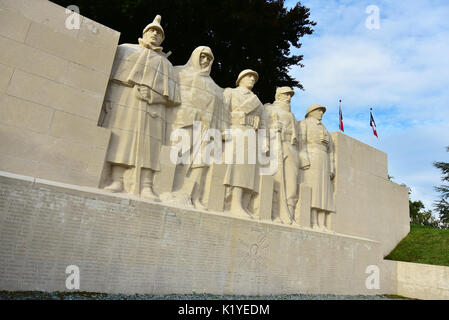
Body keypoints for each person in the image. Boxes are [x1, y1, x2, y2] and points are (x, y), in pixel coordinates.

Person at [100, 15, 180, 200]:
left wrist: (153, 96)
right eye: (151, 31)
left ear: (162, 39)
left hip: (153, 110)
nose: (154, 34)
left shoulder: (165, 64)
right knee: (122, 140)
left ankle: (146, 185)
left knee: (150, 147)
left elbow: (173, 97)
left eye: (158, 33)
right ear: (144, 33)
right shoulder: (126, 50)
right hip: (126, 102)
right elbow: (113, 79)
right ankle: (117, 179)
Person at [170, 46, 226, 209]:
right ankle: (172, 190)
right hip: (184, 123)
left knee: (201, 163)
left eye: (209, 58)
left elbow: (220, 112)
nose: (206, 60)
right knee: (178, 155)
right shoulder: (179, 73)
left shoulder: (215, 87)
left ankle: (194, 196)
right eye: (202, 57)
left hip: (207, 129)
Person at [223, 69, 266, 218]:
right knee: (238, 168)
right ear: (240, 78)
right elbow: (223, 112)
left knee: (248, 172)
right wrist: (223, 130)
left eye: (254, 78)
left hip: (251, 135)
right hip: (236, 131)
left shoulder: (258, 103)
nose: (252, 79)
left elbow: (263, 124)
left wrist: (264, 142)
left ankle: (243, 203)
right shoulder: (231, 93)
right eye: (249, 76)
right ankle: (234, 203)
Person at [265, 87, 300, 224]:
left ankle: (290, 216)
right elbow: (262, 126)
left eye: (290, 95)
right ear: (278, 96)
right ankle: (275, 213)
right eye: (286, 94)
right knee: (277, 182)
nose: (289, 97)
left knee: (292, 185)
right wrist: (273, 129)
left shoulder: (292, 116)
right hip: (276, 145)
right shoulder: (270, 109)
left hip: (291, 149)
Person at [298, 104, 335, 230]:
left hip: (324, 160)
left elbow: (331, 151)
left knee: (324, 192)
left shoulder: (325, 129)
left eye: (322, 111)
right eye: (319, 111)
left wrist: (332, 167)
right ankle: (312, 221)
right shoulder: (304, 124)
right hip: (312, 157)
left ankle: (322, 222)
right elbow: (301, 142)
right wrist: (304, 159)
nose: (321, 113)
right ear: (311, 112)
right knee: (314, 190)